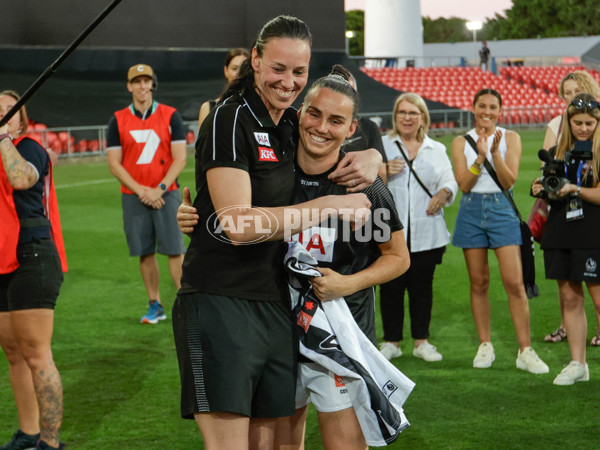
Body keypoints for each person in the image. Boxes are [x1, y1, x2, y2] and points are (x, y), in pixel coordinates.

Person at [171, 16, 381, 450]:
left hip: (276, 306)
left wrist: (374, 156)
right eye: (278, 69)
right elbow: (239, 226)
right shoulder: (230, 119)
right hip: (221, 300)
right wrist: (328, 206)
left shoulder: (289, 124)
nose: (289, 82)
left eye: (299, 71)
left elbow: (335, 139)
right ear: (255, 60)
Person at [451, 88, 549, 374]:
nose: (487, 111)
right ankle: (485, 345)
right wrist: (480, 157)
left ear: (500, 110)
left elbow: (508, 181)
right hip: (471, 210)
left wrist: (494, 152)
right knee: (478, 282)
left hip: (501, 209)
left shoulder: (512, 138)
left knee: (514, 282)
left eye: (493, 107)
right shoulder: (461, 142)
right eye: (482, 105)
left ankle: (525, 350)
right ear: (473, 107)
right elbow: (464, 184)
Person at [0, 90, 67, 450]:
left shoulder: (28, 148)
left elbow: (21, 179)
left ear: (20, 119)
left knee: (36, 351)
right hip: (1, 257)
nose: (0, 115)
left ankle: (50, 442)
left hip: (32, 253)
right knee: (13, 352)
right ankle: (28, 433)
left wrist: (2, 137)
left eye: (7, 111)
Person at [378, 92, 458, 363]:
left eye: (413, 113)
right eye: (402, 113)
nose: (408, 118)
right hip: (390, 230)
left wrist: (444, 192)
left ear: (423, 117)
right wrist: (383, 169)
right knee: (390, 287)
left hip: (427, 231)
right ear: (395, 117)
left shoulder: (436, 149)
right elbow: (366, 179)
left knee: (422, 287)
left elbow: (450, 180)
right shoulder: (383, 146)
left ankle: (421, 341)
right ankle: (392, 341)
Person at [106, 63, 187, 325]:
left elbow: (180, 158)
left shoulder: (170, 115)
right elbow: (114, 163)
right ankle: (155, 305)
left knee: (175, 250)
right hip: (135, 196)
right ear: (129, 86)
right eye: (136, 81)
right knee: (145, 251)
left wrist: (159, 188)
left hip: (166, 193)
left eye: (146, 81)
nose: (142, 86)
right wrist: (142, 191)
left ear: (153, 84)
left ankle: (187, 303)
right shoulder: (117, 119)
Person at [531, 93, 600, 385]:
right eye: (577, 122)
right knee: (570, 298)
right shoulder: (559, 150)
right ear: (568, 122)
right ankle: (578, 364)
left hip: (593, 230)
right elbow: (547, 184)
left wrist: (574, 189)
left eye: (589, 123)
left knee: (598, 299)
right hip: (560, 229)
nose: (583, 128)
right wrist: (540, 187)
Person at [197, 47, 249, 129]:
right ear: (226, 71)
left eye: (244, 68)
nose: (239, 73)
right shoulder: (209, 108)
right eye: (234, 68)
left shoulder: (258, 110)